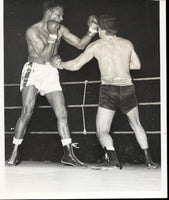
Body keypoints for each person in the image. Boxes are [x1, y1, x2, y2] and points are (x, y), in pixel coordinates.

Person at [53, 14, 158, 170]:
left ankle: (113, 160)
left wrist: (60, 64)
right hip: (127, 87)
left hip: (109, 90)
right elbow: (136, 65)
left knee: (102, 130)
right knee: (136, 124)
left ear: (101, 29)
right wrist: (119, 63)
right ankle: (149, 161)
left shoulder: (96, 45)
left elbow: (75, 65)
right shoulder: (127, 43)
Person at [7, 0, 98, 167]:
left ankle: (68, 154)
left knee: (62, 112)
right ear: (49, 13)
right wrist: (53, 37)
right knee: (27, 111)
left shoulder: (60, 29)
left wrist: (91, 32)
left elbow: (80, 44)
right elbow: (43, 56)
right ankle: (14, 152)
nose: (62, 18)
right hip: (34, 70)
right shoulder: (32, 31)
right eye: (59, 14)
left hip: (50, 72)